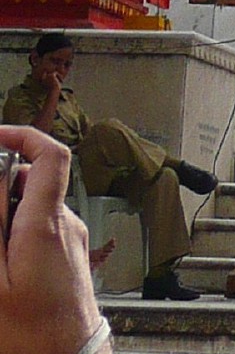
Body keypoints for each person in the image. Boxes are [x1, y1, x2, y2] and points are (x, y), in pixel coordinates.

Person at [0, 124, 223, 354]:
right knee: (113, 134)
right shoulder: (28, 98)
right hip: (81, 169)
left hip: (89, 172)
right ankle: (173, 163)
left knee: (161, 179)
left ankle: (160, 272)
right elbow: (38, 130)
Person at [2, 36, 216, 304]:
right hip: (63, 174)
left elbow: (90, 135)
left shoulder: (69, 100)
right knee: (108, 129)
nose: (61, 70)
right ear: (35, 59)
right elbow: (33, 141)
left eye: (67, 65)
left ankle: (160, 274)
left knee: (164, 179)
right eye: (54, 62)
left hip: (94, 171)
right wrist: (53, 93)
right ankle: (178, 164)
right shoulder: (18, 98)